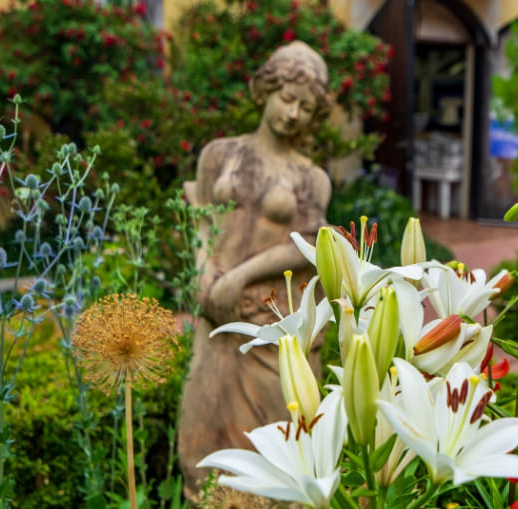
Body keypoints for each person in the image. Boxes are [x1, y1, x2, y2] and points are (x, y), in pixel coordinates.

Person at [177, 41, 332, 494]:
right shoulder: (219, 154)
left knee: (275, 451)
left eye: (306, 108)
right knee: (198, 447)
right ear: (265, 91)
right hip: (215, 318)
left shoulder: (311, 178)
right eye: (287, 98)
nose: (293, 114)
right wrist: (205, 276)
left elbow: (308, 243)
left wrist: (239, 277)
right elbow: (199, 216)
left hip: (269, 325)